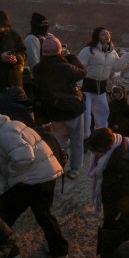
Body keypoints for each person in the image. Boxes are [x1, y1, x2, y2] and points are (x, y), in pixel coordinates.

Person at [0, 107, 68, 258]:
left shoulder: (4, 133)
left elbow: (24, 157)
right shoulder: (7, 128)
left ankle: (3, 250)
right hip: (47, 176)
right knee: (43, 214)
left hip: (31, 181)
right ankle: (59, 250)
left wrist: (14, 176)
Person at [32, 35, 87, 180]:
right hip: (73, 109)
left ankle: (56, 166)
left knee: (58, 141)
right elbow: (82, 72)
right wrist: (72, 58)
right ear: (59, 50)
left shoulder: (38, 69)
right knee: (76, 140)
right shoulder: (65, 67)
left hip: (54, 110)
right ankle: (75, 169)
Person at [87, 127, 129, 258]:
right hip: (116, 207)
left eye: (95, 151)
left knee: (120, 240)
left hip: (121, 212)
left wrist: (119, 212)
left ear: (105, 148)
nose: (93, 154)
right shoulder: (117, 149)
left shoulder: (120, 165)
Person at [77, 27, 129, 133]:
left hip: (101, 88)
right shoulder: (88, 50)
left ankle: (102, 135)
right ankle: (85, 136)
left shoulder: (112, 52)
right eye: (103, 34)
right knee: (86, 115)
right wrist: (78, 85)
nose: (107, 36)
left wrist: (126, 57)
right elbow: (79, 67)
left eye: (108, 34)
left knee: (103, 113)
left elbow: (116, 67)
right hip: (87, 87)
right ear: (97, 37)